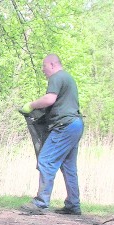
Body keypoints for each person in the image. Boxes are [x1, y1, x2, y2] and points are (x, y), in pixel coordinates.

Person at [19, 54, 84, 215]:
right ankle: (73, 205)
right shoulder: (68, 78)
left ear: (53, 64)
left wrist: (31, 105)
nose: (43, 70)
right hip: (76, 124)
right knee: (69, 166)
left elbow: (50, 99)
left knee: (46, 160)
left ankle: (41, 202)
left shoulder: (57, 77)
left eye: (44, 66)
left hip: (65, 126)